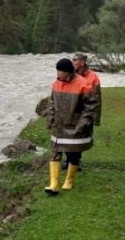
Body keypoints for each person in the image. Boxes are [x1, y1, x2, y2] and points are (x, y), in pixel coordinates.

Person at [44, 58, 98, 195]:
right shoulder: (56, 84)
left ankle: (69, 180)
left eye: (60, 71)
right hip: (59, 126)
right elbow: (52, 103)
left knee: (74, 155)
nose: (58, 73)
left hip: (75, 126)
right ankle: (53, 184)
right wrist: (50, 118)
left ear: (68, 72)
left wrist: (81, 124)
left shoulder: (84, 84)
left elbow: (90, 107)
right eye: (57, 70)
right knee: (55, 153)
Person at [68, 53, 102, 171]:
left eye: (75, 60)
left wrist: (95, 118)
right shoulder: (69, 74)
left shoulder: (93, 77)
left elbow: (97, 98)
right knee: (67, 135)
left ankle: (76, 161)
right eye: (72, 60)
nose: (72, 62)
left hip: (85, 112)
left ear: (82, 62)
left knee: (80, 136)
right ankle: (68, 160)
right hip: (70, 111)